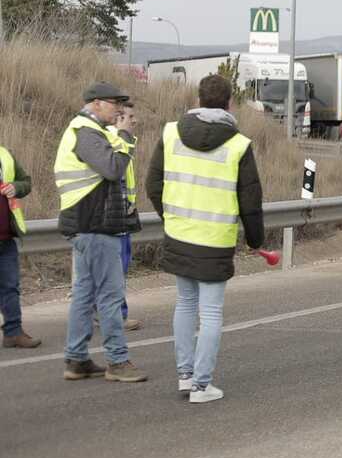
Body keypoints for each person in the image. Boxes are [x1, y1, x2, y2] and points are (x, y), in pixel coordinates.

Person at [146, 74, 264, 403]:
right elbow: (251, 201)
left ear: (198, 101)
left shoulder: (171, 134)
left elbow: (153, 185)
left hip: (179, 233)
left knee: (184, 304)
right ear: (229, 104)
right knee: (210, 313)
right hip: (214, 239)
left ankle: (185, 377)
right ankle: (201, 385)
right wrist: (256, 241)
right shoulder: (238, 144)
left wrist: (170, 217)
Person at [55, 81, 147, 383]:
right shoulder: (86, 133)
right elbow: (112, 169)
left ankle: (76, 359)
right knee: (109, 295)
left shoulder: (87, 132)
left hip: (88, 225)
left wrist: (120, 138)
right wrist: (126, 137)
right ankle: (117, 361)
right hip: (95, 225)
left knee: (84, 294)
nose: (119, 109)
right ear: (95, 103)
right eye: (113, 103)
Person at [102, 101, 144, 332]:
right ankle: (117, 313)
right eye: (130, 116)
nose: (134, 120)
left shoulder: (122, 141)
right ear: (119, 119)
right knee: (116, 269)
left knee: (118, 267)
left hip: (123, 214)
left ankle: (105, 311)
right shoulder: (113, 141)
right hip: (114, 216)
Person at [0, 144, 40, 349]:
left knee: (10, 287)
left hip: (6, 238)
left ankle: (13, 332)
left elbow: (27, 182)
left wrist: (16, 187)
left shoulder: (5, 154)